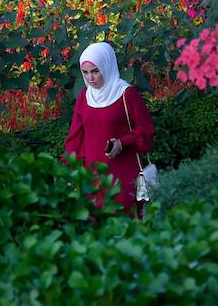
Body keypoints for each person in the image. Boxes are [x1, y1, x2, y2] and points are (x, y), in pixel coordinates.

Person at [64, 41, 156, 217]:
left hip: (124, 175)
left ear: (107, 66)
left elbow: (147, 128)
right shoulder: (84, 96)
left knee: (125, 224)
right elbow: (75, 137)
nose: (90, 78)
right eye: (86, 72)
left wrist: (123, 143)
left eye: (95, 71)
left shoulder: (126, 94)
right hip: (93, 178)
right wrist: (68, 169)